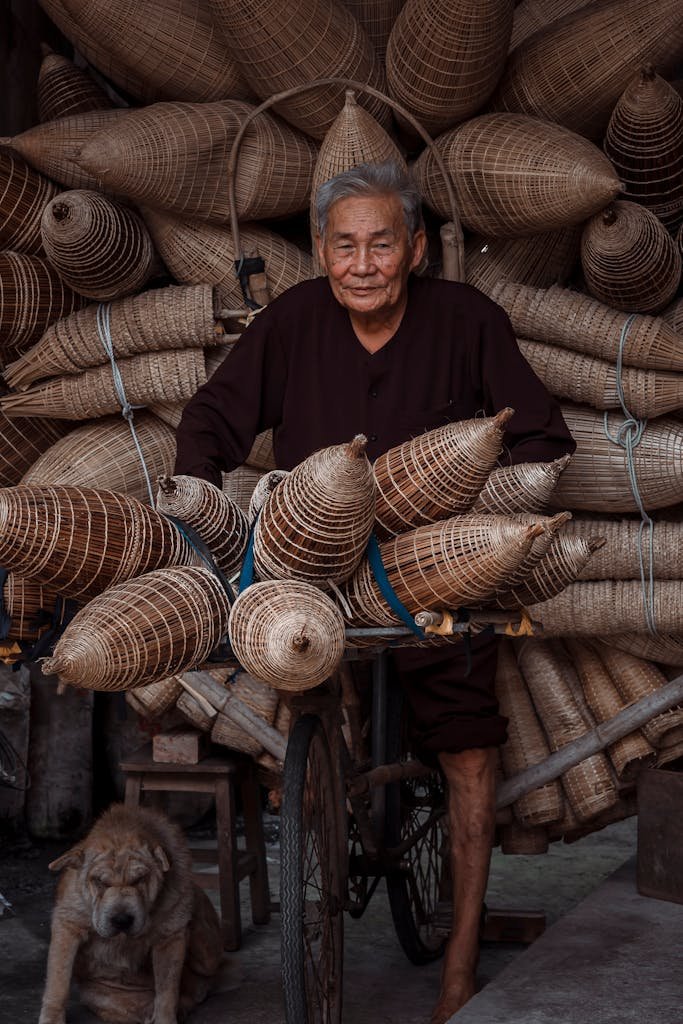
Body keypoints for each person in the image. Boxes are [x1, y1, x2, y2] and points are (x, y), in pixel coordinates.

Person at [174, 160, 575, 1023]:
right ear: (321, 252)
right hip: (316, 574)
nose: (362, 264)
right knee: (305, 693)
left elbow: (541, 437)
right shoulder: (290, 324)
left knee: (467, 752)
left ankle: (458, 968)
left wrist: (488, 524)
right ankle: (329, 783)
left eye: (381, 244)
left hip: (435, 578)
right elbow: (211, 420)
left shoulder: (468, 322)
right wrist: (194, 505)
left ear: (416, 250)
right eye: (344, 245)